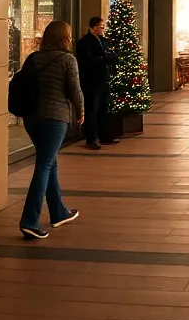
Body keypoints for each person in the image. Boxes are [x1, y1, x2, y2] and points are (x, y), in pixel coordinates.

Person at [19, 20, 84, 239]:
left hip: (31, 118)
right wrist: (81, 111)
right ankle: (30, 221)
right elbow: (75, 90)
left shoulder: (34, 58)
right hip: (55, 119)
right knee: (44, 165)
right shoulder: (68, 60)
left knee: (50, 162)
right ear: (64, 38)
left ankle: (58, 212)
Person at [75, 16, 119, 149]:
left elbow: (108, 56)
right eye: (101, 27)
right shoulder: (84, 42)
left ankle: (104, 136)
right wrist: (104, 59)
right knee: (92, 110)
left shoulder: (103, 41)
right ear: (93, 28)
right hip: (92, 81)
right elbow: (87, 62)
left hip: (104, 79)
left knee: (104, 109)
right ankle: (91, 139)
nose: (103, 29)